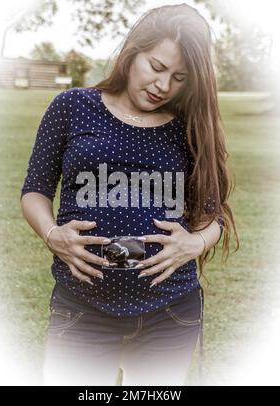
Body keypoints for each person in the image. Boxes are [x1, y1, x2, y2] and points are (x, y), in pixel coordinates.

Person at [20, 4, 238, 386]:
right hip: (82, 308)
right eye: (156, 67)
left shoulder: (192, 127)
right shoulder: (72, 107)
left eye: (179, 77)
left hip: (168, 313)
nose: (163, 86)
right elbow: (35, 191)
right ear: (133, 51)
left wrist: (195, 243)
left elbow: (212, 215)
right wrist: (53, 235)